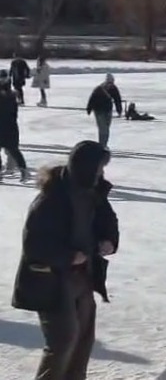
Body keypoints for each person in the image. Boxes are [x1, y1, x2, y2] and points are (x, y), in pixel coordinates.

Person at [11, 140, 118, 380]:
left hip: (84, 278)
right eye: (99, 167)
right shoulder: (50, 200)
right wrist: (69, 256)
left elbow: (109, 222)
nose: (102, 173)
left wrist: (109, 241)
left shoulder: (94, 192)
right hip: (51, 281)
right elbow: (34, 246)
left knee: (83, 340)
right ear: (86, 167)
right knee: (63, 342)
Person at [0, 71, 28, 182]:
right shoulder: (11, 94)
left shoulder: (10, 95)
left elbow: (11, 112)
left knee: (13, 150)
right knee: (12, 150)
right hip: (7, 126)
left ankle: (23, 171)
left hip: (9, 126)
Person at [85, 74, 122, 149]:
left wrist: (119, 110)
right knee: (103, 128)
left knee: (107, 129)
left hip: (108, 110)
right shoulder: (99, 89)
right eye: (109, 82)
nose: (110, 84)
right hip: (99, 111)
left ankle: (104, 144)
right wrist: (89, 109)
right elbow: (92, 98)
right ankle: (102, 145)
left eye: (112, 83)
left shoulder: (114, 89)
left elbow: (117, 99)